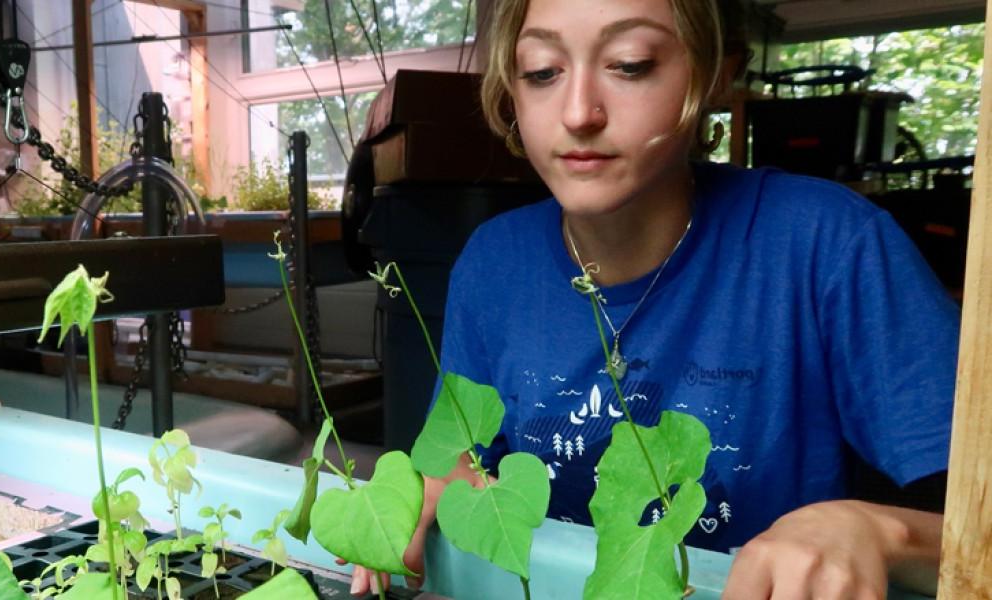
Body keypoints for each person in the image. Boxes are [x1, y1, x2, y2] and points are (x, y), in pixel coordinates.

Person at [348, 0, 954, 597]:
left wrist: (876, 530)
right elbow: (457, 460)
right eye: (541, 71)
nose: (579, 112)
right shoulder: (492, 262)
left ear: (715, 72)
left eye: (631, 64)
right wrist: (438, 486)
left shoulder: (828, 243)